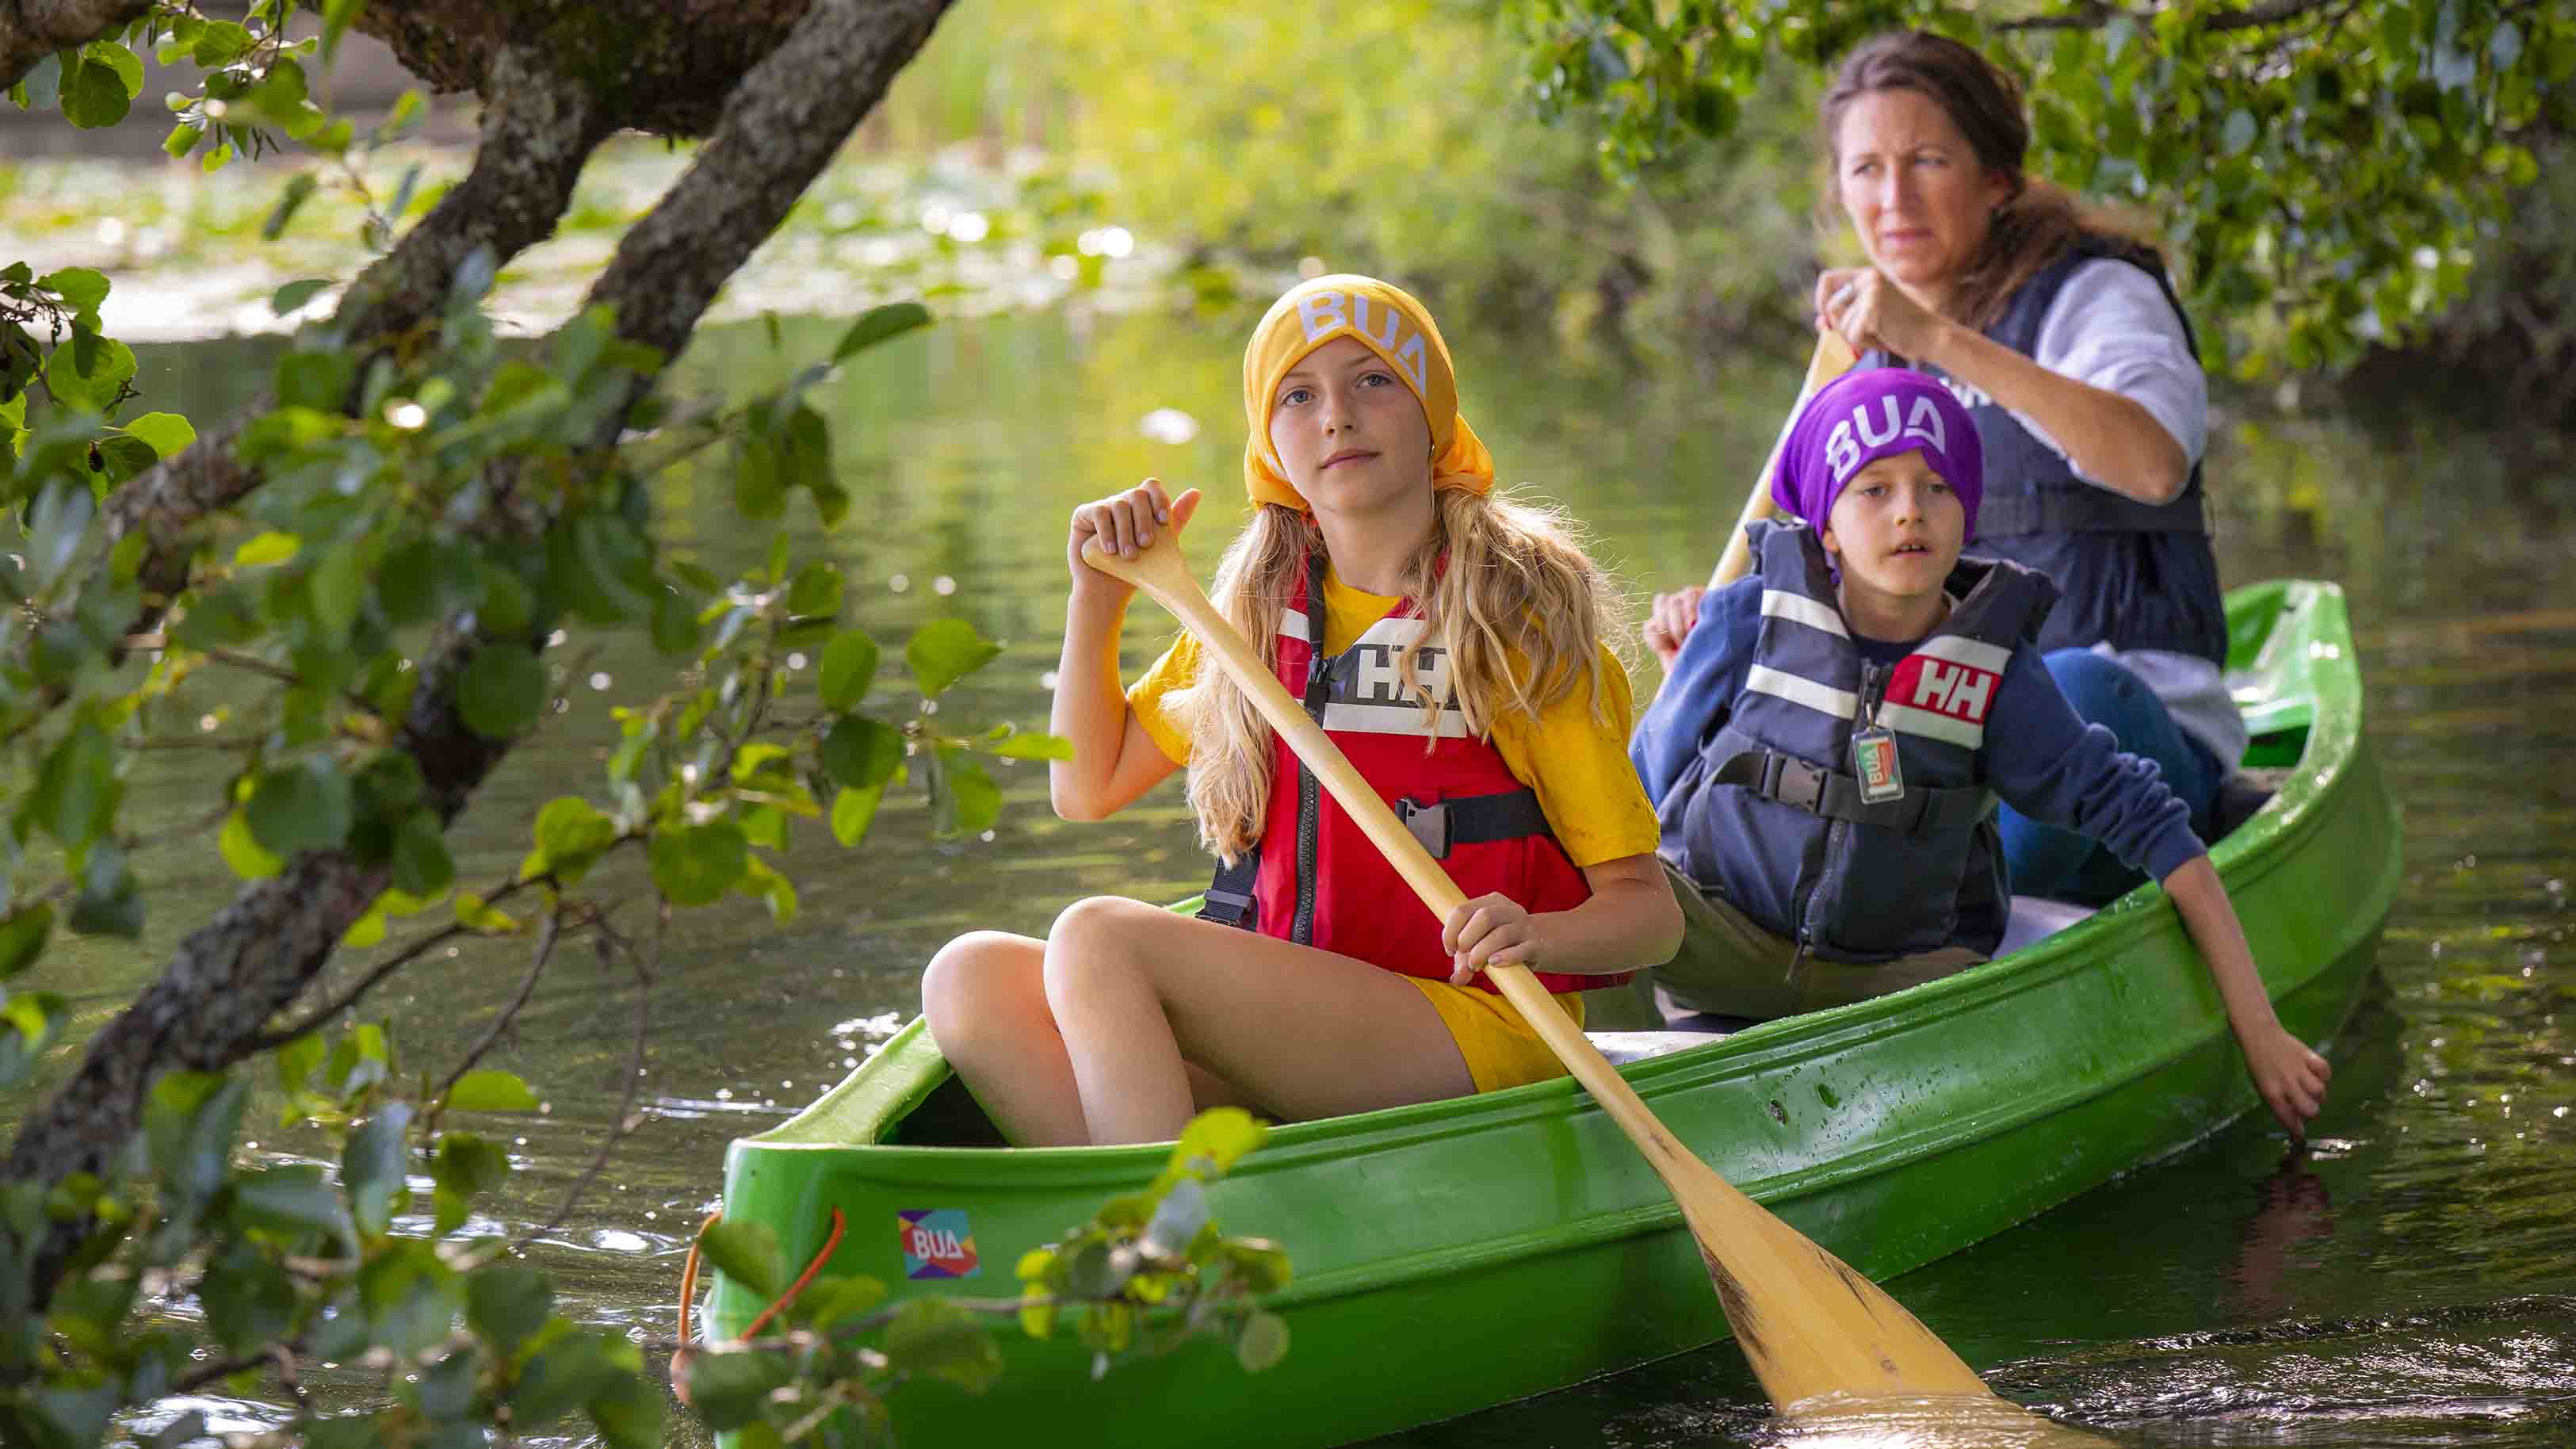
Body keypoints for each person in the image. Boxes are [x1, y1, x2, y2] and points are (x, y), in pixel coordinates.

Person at [920, 275, 1682, 1147]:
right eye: (1298, 394)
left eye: (1373, 380)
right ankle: (1156, 1214)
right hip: (1303, 1026)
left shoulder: (1511, 619)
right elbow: (1084, 788)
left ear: (1432, 410)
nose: (1336, 416)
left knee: (1098, 937)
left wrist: (1537, 936)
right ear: (1271, 442)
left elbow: (1649, 917)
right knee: (968, 977)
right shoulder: (1253, 614)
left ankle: (1164, 1255)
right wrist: (1095, 597)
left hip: (1471, 1028)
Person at [1629, 367, 2328, 1137]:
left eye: (1936, 487)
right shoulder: (1743, 619)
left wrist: (2260, 1032)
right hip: (1719, 946)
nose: (1909, 513)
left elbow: (2159, 833)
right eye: (1874, 490)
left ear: (1965, 513)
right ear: (1824, 524)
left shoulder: (1994, 673)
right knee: (1607, 889)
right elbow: (1630, 795)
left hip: (1895, 985)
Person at [1645, 29, 2243, 906]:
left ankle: (1900, 899)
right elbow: (1818, 593)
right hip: (1933, 746)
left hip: (2119, 717)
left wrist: (1931, 338)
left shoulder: (2095, 297)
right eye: (1865, 170)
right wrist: (1718, 638)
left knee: (2062, 692)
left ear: (1996, 179)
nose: (1893, 198)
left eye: (1926, 161)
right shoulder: (1853, 365)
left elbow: (2152, 464)